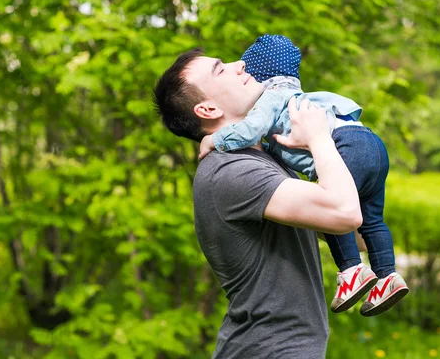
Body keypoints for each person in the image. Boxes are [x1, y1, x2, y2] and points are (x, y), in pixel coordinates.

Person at [153, 48, 362, 358]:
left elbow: (354, 236)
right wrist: (319, 138)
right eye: (220, 69)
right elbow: (345, 213)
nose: (240, 65)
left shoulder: (264, 159)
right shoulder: (232, 171)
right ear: (207, 109)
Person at [199, 34, 409, 316]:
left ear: (260, 76)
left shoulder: (271, 96)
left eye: (247, 72)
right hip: (371, 144)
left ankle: (351, 270)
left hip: (344, 144)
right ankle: (387, 277)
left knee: (331, 207)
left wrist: (214, 140)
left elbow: (249, 130)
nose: (241, 75)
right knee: (372, 221)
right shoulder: (297, 95)